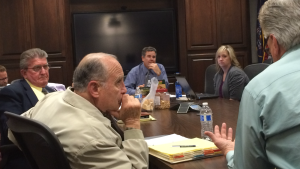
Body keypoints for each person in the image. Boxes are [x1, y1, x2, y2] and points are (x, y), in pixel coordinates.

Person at [9, 53, 149, 168]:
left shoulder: (50, 98)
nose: (124, 90)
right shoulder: (93, 140)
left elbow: (14, 131)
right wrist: (132, 123)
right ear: (94, 89)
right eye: (119, 82)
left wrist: (105, 114)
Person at [205, 0, 300, 168]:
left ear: (274, 42)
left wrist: (230, 151)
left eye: (267, 43)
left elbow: (247, 166)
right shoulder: (220, 74)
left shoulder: (259, 89)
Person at [0, 48, 55, 169]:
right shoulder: (12, 92)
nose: (43, 72)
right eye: (37, 68)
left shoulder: (53, 91)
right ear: (24, 73)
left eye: (45, 67)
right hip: (27, 157)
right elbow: (11, 129)